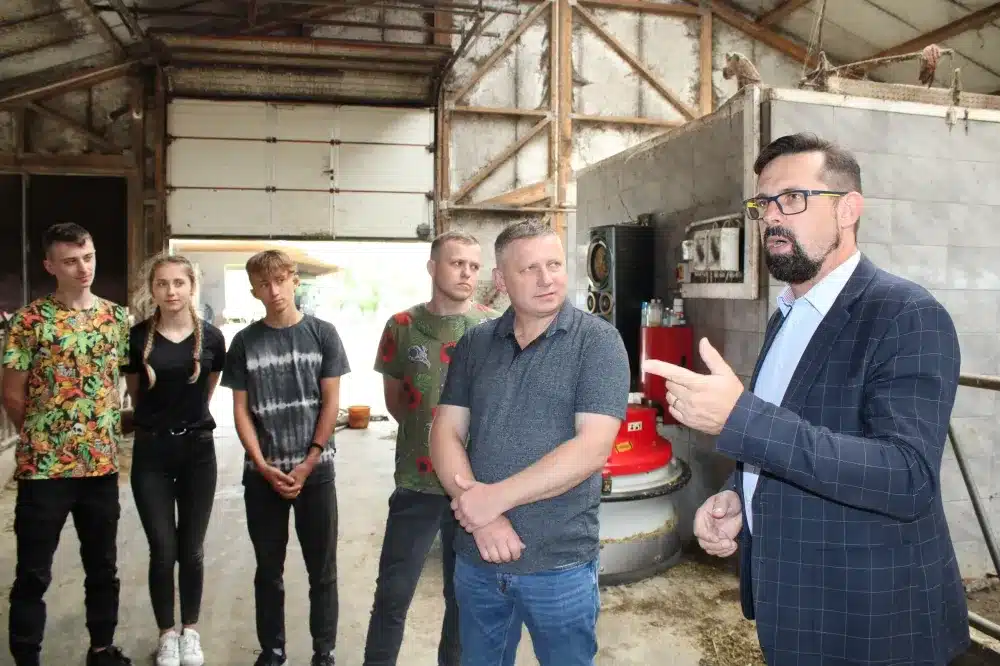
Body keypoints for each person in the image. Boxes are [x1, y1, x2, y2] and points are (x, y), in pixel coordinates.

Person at [642, 133, 969, 665]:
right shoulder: (787, 316)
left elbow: (906, 475)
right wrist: (739, 495)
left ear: (848, 210)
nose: (772, 216)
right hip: (794, 609)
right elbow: (787, 436)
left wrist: (739, 417)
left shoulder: (906, 315)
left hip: (872, 623)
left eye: (792, 198)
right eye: (763, 203)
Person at [429, 220, 630, 666]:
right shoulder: (476, 343)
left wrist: (493, 499)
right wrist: (482, 517)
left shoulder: (598, 342)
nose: (547, 279)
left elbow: (592, 448)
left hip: (558, 563)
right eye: (529, 269)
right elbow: (444, 431)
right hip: (478, 557)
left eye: (554, 265)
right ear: (500, 280)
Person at [363, 230, 498, 666]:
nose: (467, 273)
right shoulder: (401, 327)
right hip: (415, 483)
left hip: (474, 488)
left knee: (462, 601)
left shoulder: (494, 328)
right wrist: (432, 440)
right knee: (392, 595)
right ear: (432, 267)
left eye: (474, 266)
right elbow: (396, 403)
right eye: (457, 263)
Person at [2, 222, 133, 666]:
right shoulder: (29, 321)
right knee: (33, 572)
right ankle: (27, 656)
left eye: (88, 257)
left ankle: (102, 649)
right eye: (71, 261)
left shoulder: (116, 319)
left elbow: (121, 381)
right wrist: (44, 436)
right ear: (50, 266)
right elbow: (12, 393)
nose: (83, 268)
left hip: (100, 467)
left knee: (103, 568)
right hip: (44, 470)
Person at [221, 249, 349, 666]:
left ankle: (323, 653)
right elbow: (241, 410)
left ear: (295, 280)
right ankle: (272, 651)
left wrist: (310, 460)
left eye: (280, 280)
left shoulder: (323, 334)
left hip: (316, 472)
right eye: (263, 284)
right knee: (268, 570)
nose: (273, 291)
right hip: (263, 475)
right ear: (254, 291)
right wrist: (261, 464)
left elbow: (330, 402)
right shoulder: (244, 342)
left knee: (322, 570)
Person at [123, 254, 227, 666]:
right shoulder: (136, 338)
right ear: (152, 289)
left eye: (179, 283)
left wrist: (186, 420)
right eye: (162, 284)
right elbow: (137, 395)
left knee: (192, 549)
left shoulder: (212, 339)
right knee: (163, 550)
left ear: (191, 287)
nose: (171, 291)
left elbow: (207, 390)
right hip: (151, 452)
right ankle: (167, 634)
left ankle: (191, 632)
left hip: (197, 452)